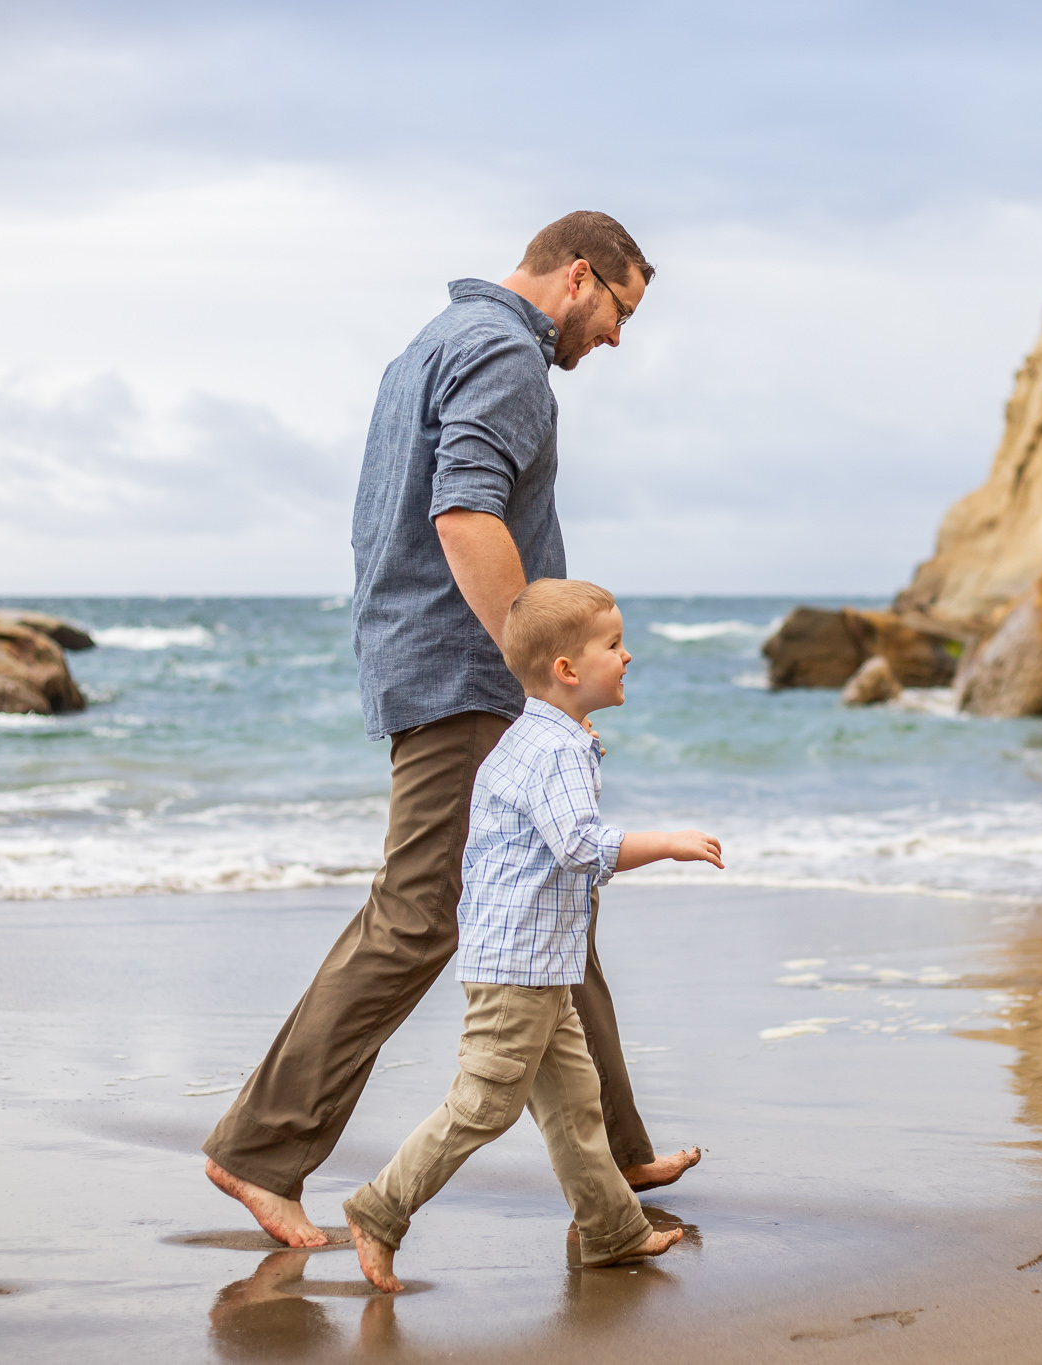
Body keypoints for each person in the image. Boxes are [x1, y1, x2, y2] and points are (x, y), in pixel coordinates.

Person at [202, 212, 700, 1249]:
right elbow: (464, 516)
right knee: (421, 913)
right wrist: (535, 678)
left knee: (557, 893)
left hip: (430, 656)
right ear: (577, 277)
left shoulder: (430, 343)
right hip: (465, 675)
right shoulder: (503, 355)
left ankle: (614, 1147)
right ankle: (260, 1148)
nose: (613, 339)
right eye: (617, 312)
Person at [345, 579, 724, 1291]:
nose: (628, 656)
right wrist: (667, 842)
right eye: (613, 645)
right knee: (483, 1105)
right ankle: (379, 1209)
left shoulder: (545, 737)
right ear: (568, 670)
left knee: (576, 1106)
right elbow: (579, 845)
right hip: (517, 969)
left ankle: (613, 1231)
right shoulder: (554, 752)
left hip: (539, 964)